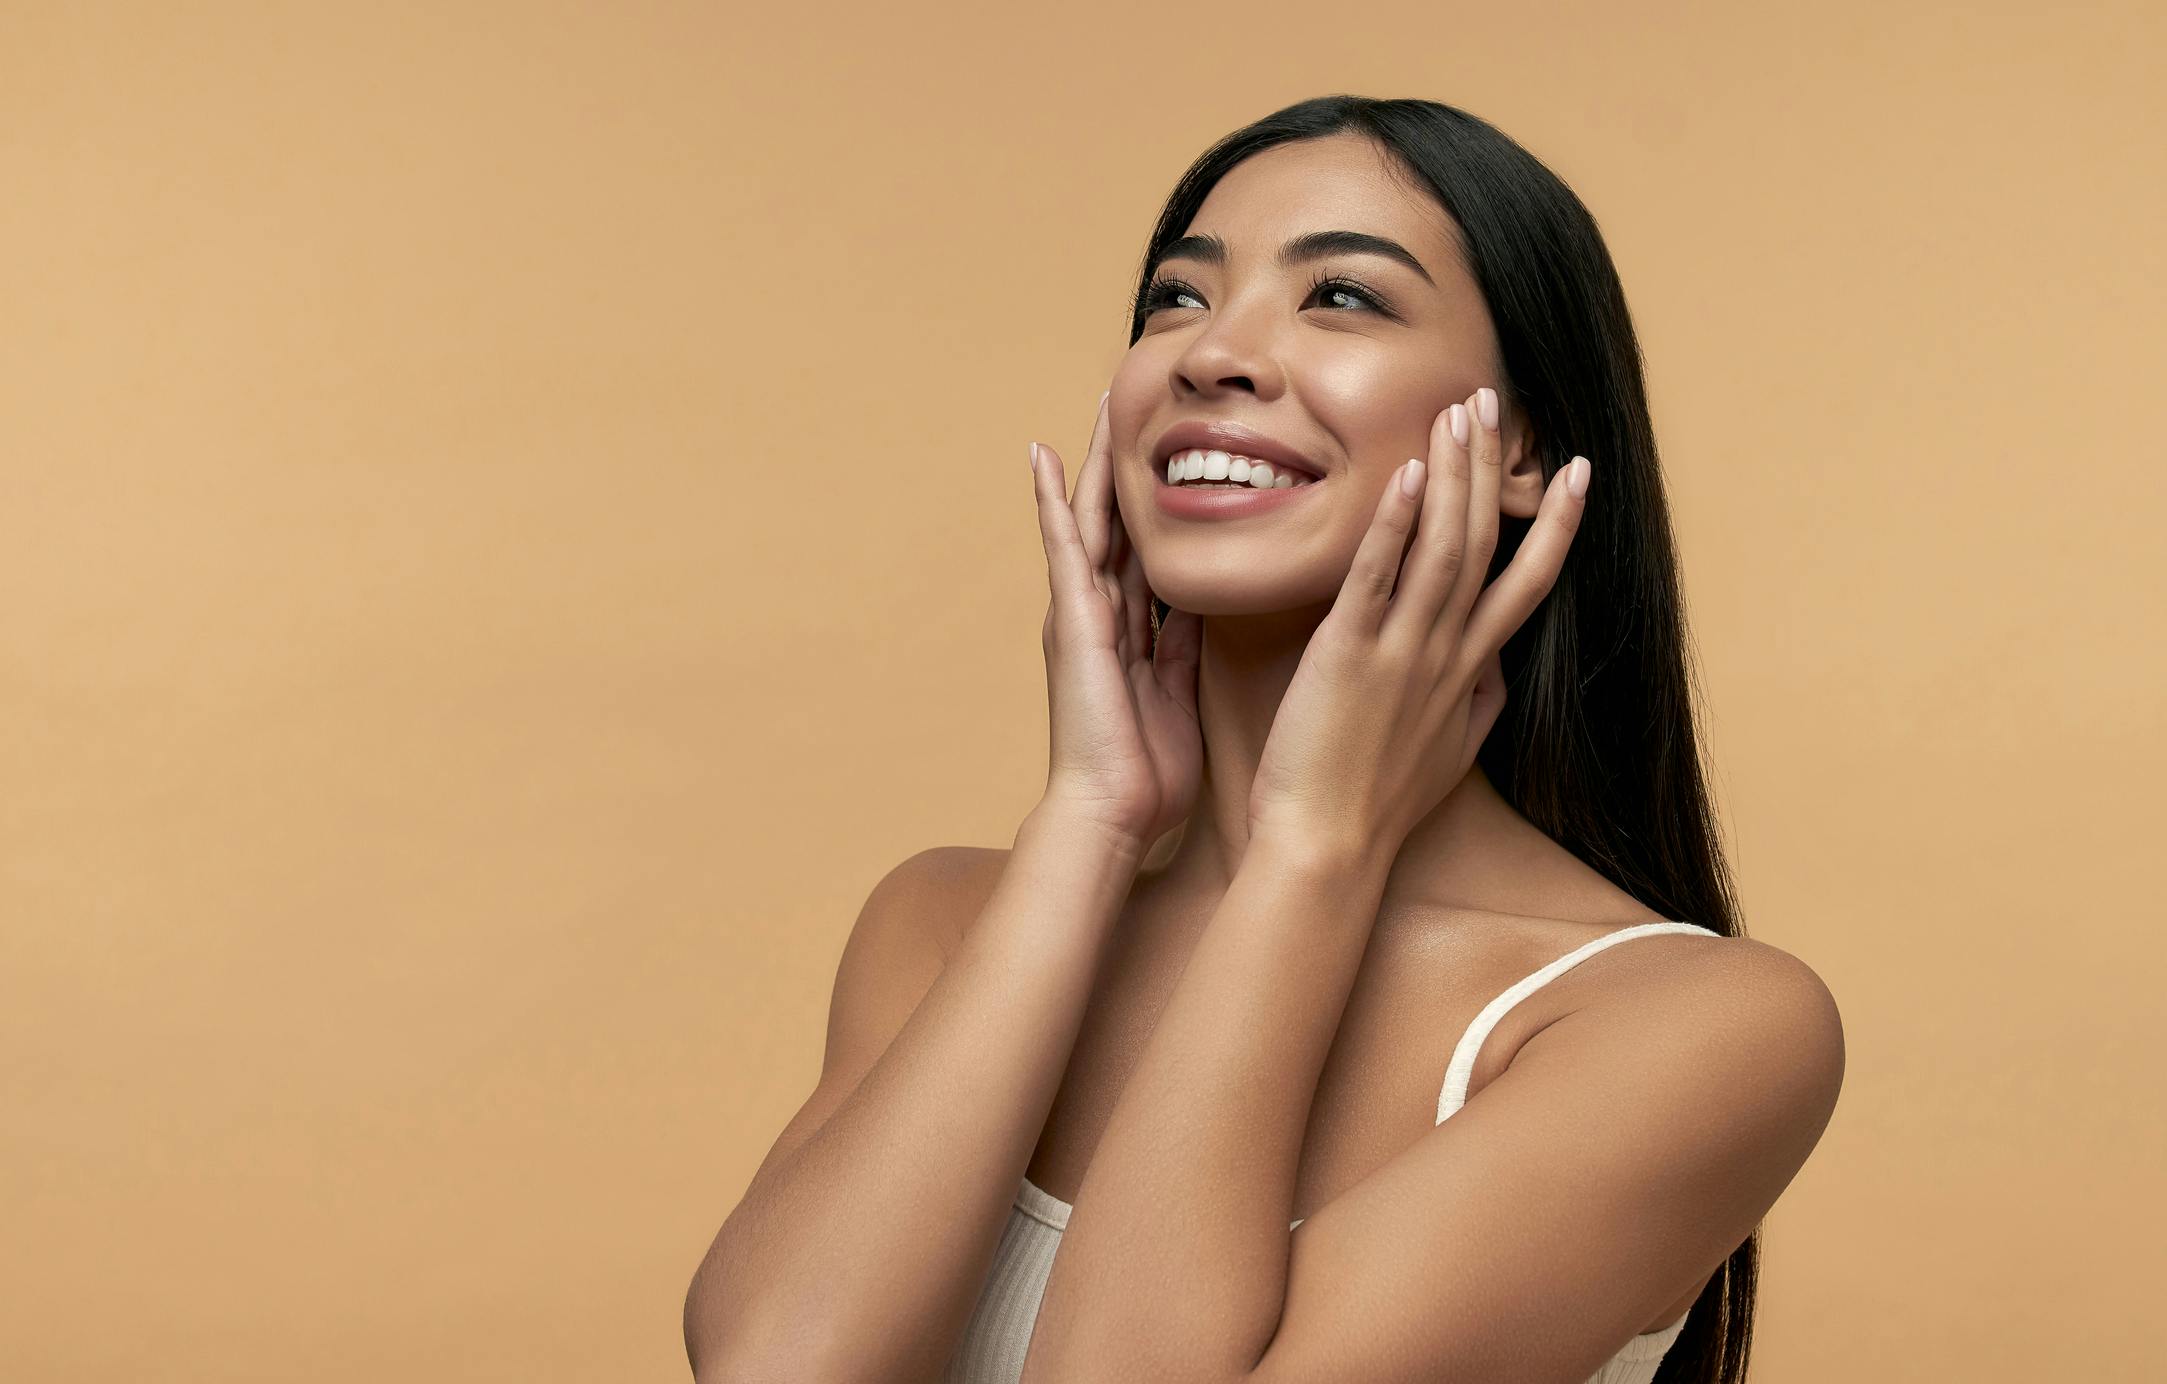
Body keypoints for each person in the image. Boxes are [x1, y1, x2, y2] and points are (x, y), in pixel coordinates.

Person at [683, 95, 1844, 1384]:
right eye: (1176, 300)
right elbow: (777, 1369)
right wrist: (1090, 818)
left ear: (1520, 445)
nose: (1211, 354)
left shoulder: (1688, 1027)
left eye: (1342, 296)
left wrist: (1316, 852)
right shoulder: (946, 920)